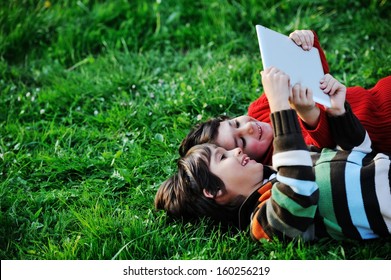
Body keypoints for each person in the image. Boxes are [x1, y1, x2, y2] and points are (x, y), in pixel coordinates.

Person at [155, 67, 391, 242]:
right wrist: (279, 105)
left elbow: (358, 155)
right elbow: (299, 191)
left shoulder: (282, 173)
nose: (237, 151)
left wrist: (340, 115)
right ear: (214, 191)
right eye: (223, 157)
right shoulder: (263, 221)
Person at [179, 30, 391, 165]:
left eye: (236, 123)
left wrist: (303, 45)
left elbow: (314, 79)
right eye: (242, 141)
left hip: (380, 95)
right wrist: (308, 115)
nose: (248, 128)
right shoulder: (281, 158)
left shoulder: (260, 109)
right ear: (241, 158)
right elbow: (327, 148)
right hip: (381, 136)